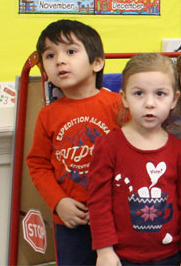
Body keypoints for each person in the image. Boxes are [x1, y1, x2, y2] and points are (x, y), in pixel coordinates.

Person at [89, 53, 181, 266]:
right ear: (124, 98)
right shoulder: (109, 146)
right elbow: (99, 203)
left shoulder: (179, 150)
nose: (149, 103)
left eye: (160, 94)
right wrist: (104, 251)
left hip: (171, 257)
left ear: (174, 99)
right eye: (139, 93)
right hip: (120, 257)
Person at [26, 20, 120, 266]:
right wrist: (58, 202)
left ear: (97, 62)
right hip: (71, 221)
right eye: (49, 55)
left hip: (116, 217)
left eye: (70, 51)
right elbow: (38, 164)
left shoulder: (119, 106)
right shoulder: (47, 114)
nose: (59, 60)